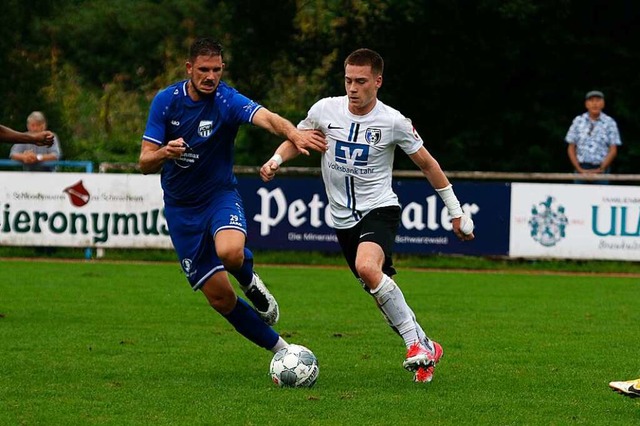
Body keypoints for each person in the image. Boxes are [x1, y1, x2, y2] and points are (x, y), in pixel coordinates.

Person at [260, 48, 475, 383]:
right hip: (342, 220)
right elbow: (298, 139)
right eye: (348, 80)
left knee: (366, 267)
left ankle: (414, 344)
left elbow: (428, 165)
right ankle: (427, 345)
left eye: (361, 81)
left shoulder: (393, 122)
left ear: (378, 81)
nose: (353, 87)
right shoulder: (325, 110)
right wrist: (276, 160)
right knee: (378, 290)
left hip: (379, 209)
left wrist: (456, 210)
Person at [138, 38, 326, 360]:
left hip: (219, 195)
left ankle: (250, 282)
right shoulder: (166, 102)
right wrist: (164, 153)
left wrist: (293, 134)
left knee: (230, 252)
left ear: (222, 69)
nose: (210, 77)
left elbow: (267, 118)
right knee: (221, 299)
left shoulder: (227, 100)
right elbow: (143, 163)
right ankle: (283, 350)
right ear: (189, 69)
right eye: (203, 70)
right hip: (181, 209)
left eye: (216, 70)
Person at [565, 90, 622, 184]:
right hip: (581, 169)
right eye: (591, 101)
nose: (595, 104)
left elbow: (613, 149)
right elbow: (571, 147)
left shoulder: (610, 122)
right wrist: (579, 169)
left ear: (603, 104)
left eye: (598, 100)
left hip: (602, 170)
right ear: (586, 104)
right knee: (579, 197)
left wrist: (601, 169)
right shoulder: (578, 121)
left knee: (600, 198)